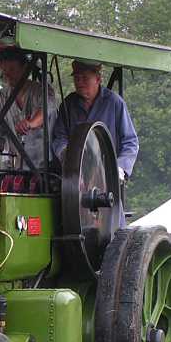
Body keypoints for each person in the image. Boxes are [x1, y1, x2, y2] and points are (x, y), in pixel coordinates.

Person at [51, 60, 139, 223]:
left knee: (112, 227)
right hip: (77, 183)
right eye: (77, 79)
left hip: (107, 180)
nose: (80, 83)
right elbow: (59, 138)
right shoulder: (68, 105)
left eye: (85, 78)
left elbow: (130, 142)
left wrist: (119, 170)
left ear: (98, 79)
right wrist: (66, 155)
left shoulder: (115, 103)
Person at [0, 47, 57, 192]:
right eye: (4, 71)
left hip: (43, 171)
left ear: (24, 69)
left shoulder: (43, 91)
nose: (7, 75)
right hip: (12, 171)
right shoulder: (0, 97)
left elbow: (45, 111)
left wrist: (30, 123)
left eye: (12, 70)